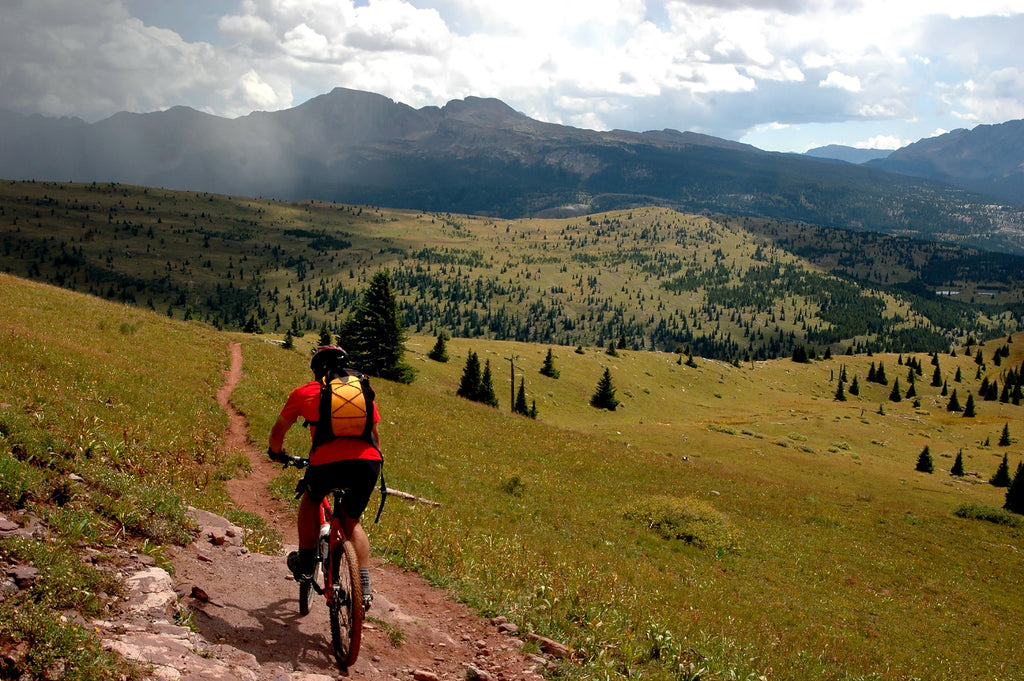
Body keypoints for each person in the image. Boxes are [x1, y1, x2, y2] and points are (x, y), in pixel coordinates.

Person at [267, 345, 383, 610]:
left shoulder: (306, 392)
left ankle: (306, 565)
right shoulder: (362, 392)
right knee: (351, 520)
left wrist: (277, 453)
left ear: (317, 369)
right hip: (367, 463)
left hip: (326, 464)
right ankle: (364, 588)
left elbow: (277, 432)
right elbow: (375, 436)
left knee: (311, 498)